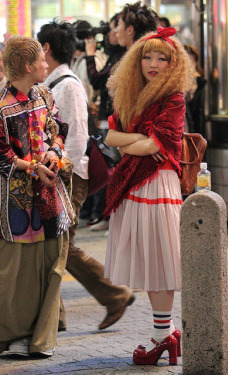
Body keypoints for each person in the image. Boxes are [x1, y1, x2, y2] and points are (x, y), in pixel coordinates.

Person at [103, 26, 196, 365]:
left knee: (159, 259)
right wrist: (133, 140)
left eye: (162, 58)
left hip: (157, 185)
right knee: (150, 260)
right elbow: (109, 136)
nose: (153, 64)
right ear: (137, 60)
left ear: (175, 65)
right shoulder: (131, 93)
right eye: (148, 57)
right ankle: (166, 334)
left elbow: (154, 145)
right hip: (135, 184)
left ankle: (162, 337)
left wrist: (131, 139)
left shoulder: (174, 98)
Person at [37, 20, 135, 332]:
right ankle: (61, 315)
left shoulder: (67, 85)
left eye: (40, 48)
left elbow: (77, 138)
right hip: (60, 176)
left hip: (69, 178)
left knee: (60, 244)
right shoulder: (53, 83)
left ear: (48, 49)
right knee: (56, 245)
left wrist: (58, 170)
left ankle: (113, 294)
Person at [0, 35, 74, 357]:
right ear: (29, 66)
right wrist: (33, 167)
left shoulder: (44, 94)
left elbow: (57, 130)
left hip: (48, 193)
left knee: (52, 263)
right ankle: (16, 335)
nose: (47, 63)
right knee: (14, 271)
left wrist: (54, 155)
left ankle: (41, 338)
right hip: (14, 201)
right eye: (42, 60)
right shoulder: (2, 106)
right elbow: (2, 156)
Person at [84, 13, 126, 232]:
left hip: (116, 120)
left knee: (113, 168)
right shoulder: (115, 54)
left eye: (114, 27)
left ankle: (110, 215)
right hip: (107, 118)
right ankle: (107, 215)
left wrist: (90, 55)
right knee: (109, 167)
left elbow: (97, 80)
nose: (112, 33)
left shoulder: (123, 56)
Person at [184, 44, 207, 136]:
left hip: (197, 133)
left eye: (192, 61)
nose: (189, 66)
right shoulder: (174, 85)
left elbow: (199, 113)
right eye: (186, 62)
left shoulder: (200, 82)